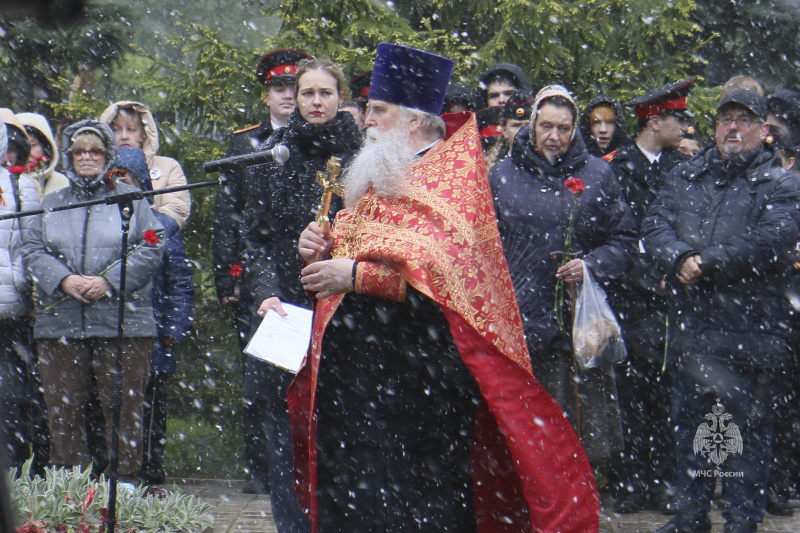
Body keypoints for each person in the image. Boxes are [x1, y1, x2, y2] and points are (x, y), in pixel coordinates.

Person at [295, 43, 599, 533]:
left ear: (413, 121)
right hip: (354, 380)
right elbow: (351, 248)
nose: (366, 121)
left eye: (378, 111)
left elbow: (442, 278)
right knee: (354, 496)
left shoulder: (452, 183)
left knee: (418, 502)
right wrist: (318, 249)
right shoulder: (379, 174)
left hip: (420, 378)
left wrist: (352, 275)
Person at [644, 90, 800, 533]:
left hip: (752, 330)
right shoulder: (686, 175)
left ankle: (741, 521)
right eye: (726, 119)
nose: (734, 127)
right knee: (690, 428)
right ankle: (691, 516)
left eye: (744, 120)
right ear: (714, 127)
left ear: (762, 131)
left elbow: (772, 240)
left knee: (746, 437)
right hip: (694, 328)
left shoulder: (783, 184)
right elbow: (655, 223)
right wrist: (677, 258)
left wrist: (704, 262)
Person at [241, 57, 360, 533]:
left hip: (346, 308)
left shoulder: (362, 155)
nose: (315, 102)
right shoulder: (273, 153)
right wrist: (266, 292)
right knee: (282, 424)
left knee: (342, 420)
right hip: (286, 306)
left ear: (340, 98)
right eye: (307, 93)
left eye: (325, 93)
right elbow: (255, 237)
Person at [489, 84, 637, 463]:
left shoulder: (598, 175)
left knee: (575, 439)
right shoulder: (502, 175)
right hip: (520, 323)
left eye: (565, 128)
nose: (555, 137)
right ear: (532, 125)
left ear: (575, 131)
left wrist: (590, 264)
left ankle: (575, 513)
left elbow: (623, 238)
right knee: (523, 439)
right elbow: (484, 244)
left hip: (575, 326)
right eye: (547, 127)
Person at [22, 119, 164, 485]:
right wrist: (64, 279)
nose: (87, 157)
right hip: (61, 323)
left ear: (107, 156)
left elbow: (151, 245)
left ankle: (126, 482)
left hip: (124, 323)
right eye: (79, 151)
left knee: (124, 409)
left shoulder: (129, 200)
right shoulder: (50, 204)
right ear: (69, 157)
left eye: (95, 151)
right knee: (63, 410)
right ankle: (70, 486)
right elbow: (32, 249)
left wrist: (108, 281)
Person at [212, 48, 310, 496]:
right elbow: (230, 213)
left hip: (306, 271)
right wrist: (227, 276)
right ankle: (262, 470)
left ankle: (300, 469)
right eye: (279, 87)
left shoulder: (317, 139)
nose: (288, 96)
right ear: (266, 93)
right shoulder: (245, 142)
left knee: (302, 378)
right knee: (260, 379)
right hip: (258, 276)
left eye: (295, 87)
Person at [604, 79, 694, 515]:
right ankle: (630, 481)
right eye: (678, 117)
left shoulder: (684, 166)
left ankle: (665, 481)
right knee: (629, 394)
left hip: (675, 298)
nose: (685, 125)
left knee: (669, 394)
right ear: (654, 122)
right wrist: (645, 277)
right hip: (632, 298)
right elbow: (613, 234)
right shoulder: (616, 167)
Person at [115, 146, 193, 485]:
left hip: (154, 327)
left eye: (126, 178)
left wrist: (174, 327)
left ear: (141, 183)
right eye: (113, 178)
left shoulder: (161, 225)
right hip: (111, 327)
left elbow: (180, 280)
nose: (119, 185)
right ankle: (117, 464)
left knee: (150, 401)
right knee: (115, 399)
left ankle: (150, 463)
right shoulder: (101, 220)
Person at [0, 121, 45, 474]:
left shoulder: (20, 184)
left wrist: (19, 279)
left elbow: (32, 244)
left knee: (11, 398)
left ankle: (13, 474)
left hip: (10, 313)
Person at [99, 101, 191, 229]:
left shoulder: (168, 167)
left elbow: (175, 217)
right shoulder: (97, 170)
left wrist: (137, 189)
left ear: (143, 134)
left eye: (131, 129)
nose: (124, 136)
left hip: (153, 245)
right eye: (116, 130)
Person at [17, 112, 69, 198]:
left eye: (32, 145)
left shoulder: (62, 184)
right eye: (20, 146)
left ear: (45, 147)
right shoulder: (5, 184)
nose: (27, 153)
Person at [484, 89, 534, 169]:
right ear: (504, 130)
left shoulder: (550, 167)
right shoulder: (493, 170)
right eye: (516, 125)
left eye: (528, 125)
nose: (523, 130)